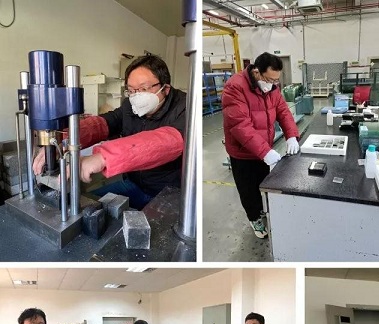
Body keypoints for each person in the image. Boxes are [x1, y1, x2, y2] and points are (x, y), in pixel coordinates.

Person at [33, 55, 187, 210]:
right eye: (131, 90)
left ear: (165, 89)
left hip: (169, 194)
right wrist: (63, 139)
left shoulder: (186, 107)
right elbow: (106, 123)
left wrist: (103, 157)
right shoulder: (131, 105)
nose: (137, 95)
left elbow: (169, 140)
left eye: (144, 89)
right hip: (133, 183)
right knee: (87, 208)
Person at [221, 52, 300, 238]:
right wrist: (265, 152)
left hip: (263, 147)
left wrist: (291, 135)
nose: (273, 84)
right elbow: (240, 125)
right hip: (243, 153)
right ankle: (254, 217)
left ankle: (262, 210)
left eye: (276, 80)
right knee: (248, 189)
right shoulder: (235, 87)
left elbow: (282, 111)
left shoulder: (272, 88)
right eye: (269, 79)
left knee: (264, 183)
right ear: (256, 72)